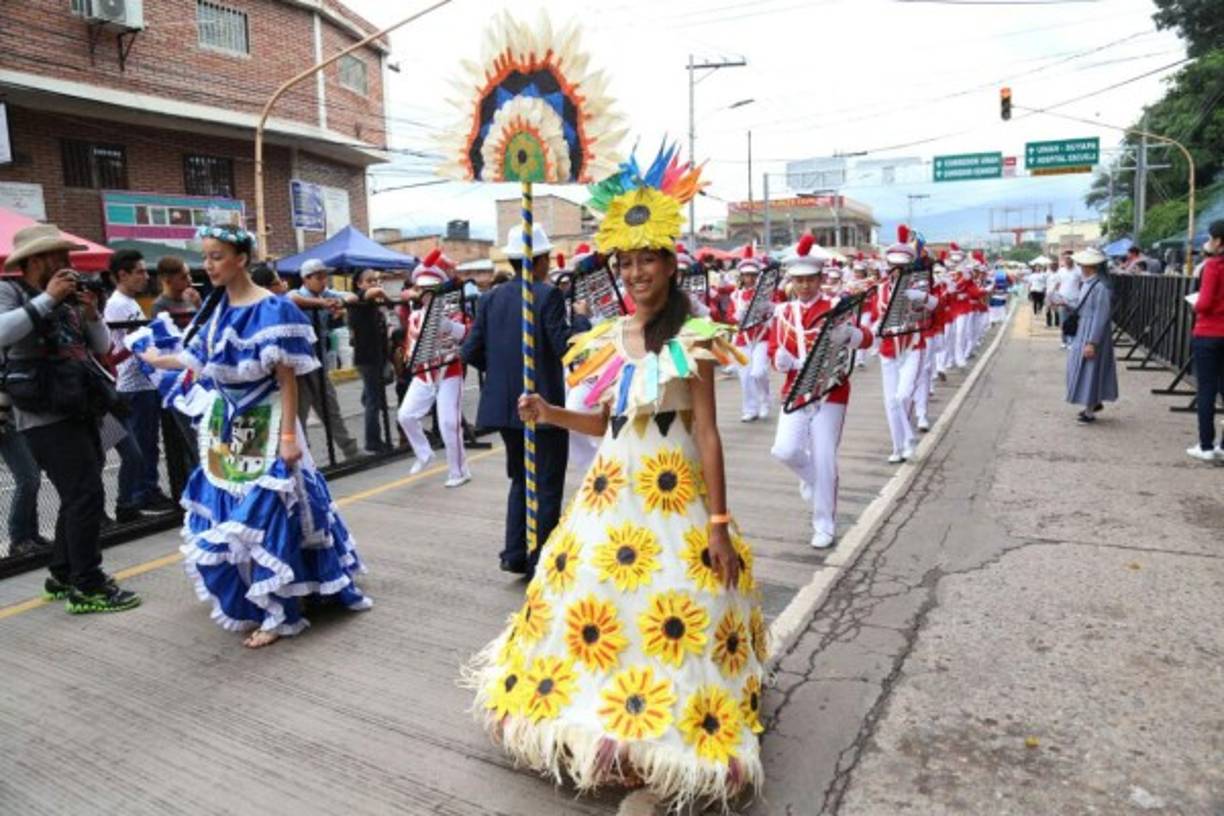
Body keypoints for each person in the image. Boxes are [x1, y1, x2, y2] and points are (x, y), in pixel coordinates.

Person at [467, 149, 764, 814]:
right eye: (625, 263)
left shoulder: (695, 334)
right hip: (610, 493)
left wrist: (717, 523)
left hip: (676, 497)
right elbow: (603, 423)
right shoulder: (608, 335)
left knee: (676, 616)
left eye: (646, 260)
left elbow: (708, 433)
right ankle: (609, 737)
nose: (635, 274)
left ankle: (666, 752)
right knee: (598, 613)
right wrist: (547, 412)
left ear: (669, 262)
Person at [137, 224, 370, 648]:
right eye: (205, 257)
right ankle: (260, 597)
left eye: (217, 256)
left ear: (241, 258)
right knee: (233, 510)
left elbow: (287, 380)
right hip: (227, 423)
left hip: (268, 419)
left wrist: (287, 437)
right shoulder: (214, 310)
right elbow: (194, 361)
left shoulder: (273, 309)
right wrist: (153, 357)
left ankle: (279, 611)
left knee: (268, 508)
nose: (208, 265)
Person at [0, 224, 140, 612]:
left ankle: (63, 573)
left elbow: (100, 347)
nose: (67, 265)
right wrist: (47, 299)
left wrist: (92, 314)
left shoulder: (68, 298)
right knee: (85, 495)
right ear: (34, 261)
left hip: (80, 404)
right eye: (58, 257)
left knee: (79, 494)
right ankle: (88, 586)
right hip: (43, 414)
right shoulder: (10, 290)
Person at [462, 225, 590, 575]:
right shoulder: (546, 295)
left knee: (521, 479)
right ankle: (541, 559)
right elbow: (565, 347)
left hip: (503, 408)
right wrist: (579, 316)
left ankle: (515, 552)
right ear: (540, 261)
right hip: (541, 405)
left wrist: (505, 373)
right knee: (547, 483)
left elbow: (470, 350)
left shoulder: (490, 298)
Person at [769, 235, 873, 549]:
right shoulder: (783, 313)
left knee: (826, 457)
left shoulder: (836, 308)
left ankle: (824, 524)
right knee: (784, 450)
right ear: (792, 281)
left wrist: (850, 334)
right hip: (796, 391)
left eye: (810, 280)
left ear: (819, 279)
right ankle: (813, 479)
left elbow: (867, 340)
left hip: (831, 392)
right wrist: (779, 359)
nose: (804, 286)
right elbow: (775, 349)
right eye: (798, 281)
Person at [104, 249, 176, 519]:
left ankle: (147, 489)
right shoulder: (118, 304)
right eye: (140, 272)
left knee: (148, 441)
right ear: (122, 274)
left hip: (144, 380)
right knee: (142, 442)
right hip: (132, 383)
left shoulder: (130, 303)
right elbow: (122, 345)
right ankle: (141, 493)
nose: (145, 277)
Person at [397, 252, 471, 486]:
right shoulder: (415, 316)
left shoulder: (454, 310)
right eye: (422, 289)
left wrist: (449, 326)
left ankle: (459, 471)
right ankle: (424, 453)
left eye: (431, 288)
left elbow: (469, 334)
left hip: (449, 371)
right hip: (424, 373)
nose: (426, 293)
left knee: (449, 423)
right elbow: (410, 347)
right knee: (405, 415)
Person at [289, 258, 360, 461]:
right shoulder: (298, 295)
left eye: (324, 276)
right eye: (318, 277)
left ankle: (350, 451)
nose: (323, 281)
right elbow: (292, 298)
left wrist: (339, 302)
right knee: (299, 415)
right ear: (306, 279)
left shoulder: (326, 294)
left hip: (318, 362)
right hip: (298, 366)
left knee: (331, 409)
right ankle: (303, 460)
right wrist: (321, 303)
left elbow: (352, 296)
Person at [1064, 248, 1118, 424]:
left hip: (1092, 331)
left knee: (1090, 370)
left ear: (1089, 266)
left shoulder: (1099, 287)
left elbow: (1101, 316)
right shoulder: (1090, 283)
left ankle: (1090, 410)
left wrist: (1092, 342)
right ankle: (1092, 404)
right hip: (1085, 329)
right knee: (1085, 369)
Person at [1186, 220, 1224, 461]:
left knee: (1207, 390)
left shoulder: (1213, 266)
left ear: (1218, 241)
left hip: (1209, 332)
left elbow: (1206, 302)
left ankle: (1206, 445)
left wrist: (1195, 304)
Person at [349, 268, 393, 455]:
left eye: (376, 280)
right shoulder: (359, 298)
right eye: (369, 280)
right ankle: (373, 442)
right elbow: (375, 292)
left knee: (373, 396)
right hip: (367, 357)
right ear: (359, 284)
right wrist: (386, 296)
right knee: (374, 401)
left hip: (377, 356)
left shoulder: (373, 304)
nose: (374, 284)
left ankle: (375, 437)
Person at [730, 249, 773, 422]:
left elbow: (777, 309)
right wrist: (738, 314)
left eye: (753, 275)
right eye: (746, 275)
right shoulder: (736, 295)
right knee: (745, 376)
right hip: (743, 339)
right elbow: (730, 317)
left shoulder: (767, 293)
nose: (750, 279)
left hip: (762, 336)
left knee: (759, 372)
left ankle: (765, 400)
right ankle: (750, 408)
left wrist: (768, 307)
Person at [150, 255, 202, 324]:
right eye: (183, 277)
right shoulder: (159, 306)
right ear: (167, 280)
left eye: (189, 275)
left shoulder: (192, 299)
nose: (189, 279)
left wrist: (199, 306)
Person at [1051, 251, 1083, 349]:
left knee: (1073, 321)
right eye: (1065, 258)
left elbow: (1082, 285)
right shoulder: (1061, 271)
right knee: (1063, 321)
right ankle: (1064, 341)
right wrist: (1053, 298)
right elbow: (1057, 285)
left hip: (1075, 299)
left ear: (1073, 258)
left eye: (1069, 258)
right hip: (1062, 299)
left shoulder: (1079, 270)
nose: (1067, 260)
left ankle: (1072, 341)